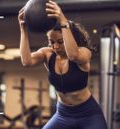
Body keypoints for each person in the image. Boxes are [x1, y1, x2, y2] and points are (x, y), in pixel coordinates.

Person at [18, 0, 108, 129]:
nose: (55, 46)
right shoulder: (47, 54)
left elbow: (73, 55)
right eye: (51, 41)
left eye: (60, 42)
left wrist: (63, 21)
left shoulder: (84, 53)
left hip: (88, 114)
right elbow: (26, 61)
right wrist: (23, 30)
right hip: (63, 114)